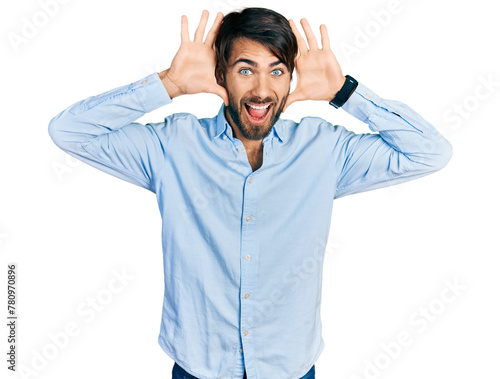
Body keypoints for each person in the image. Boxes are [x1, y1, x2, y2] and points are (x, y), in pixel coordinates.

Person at [48, 7, 452, 379]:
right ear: (220, 74)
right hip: (198, 367)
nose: (262, 90)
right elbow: (68, 131)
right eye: (246, 70)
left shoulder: (324, 150)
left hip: (290, 368)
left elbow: (430, 152)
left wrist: (345, 92)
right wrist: (168, 84)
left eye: (277, 71)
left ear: (291, 77)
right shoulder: (173, 146)